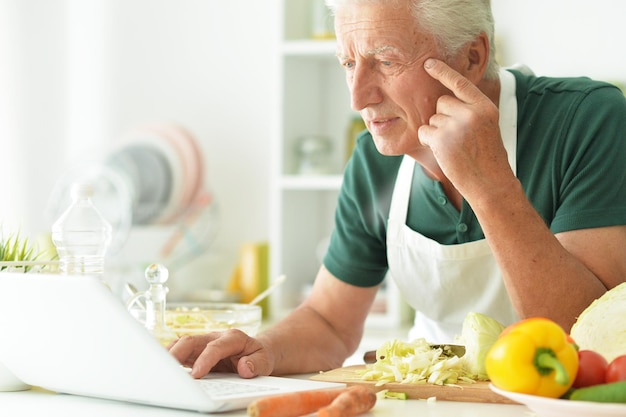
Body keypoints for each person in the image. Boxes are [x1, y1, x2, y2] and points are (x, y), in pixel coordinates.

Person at [169, 0, 626, 378]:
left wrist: (488, 185)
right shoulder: (373, 161)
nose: (357, 97)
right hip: (434, 399)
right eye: (349, 63)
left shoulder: (587, 121)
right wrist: (262, 349)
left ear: (472, 56)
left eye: (385, 61)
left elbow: (589, 338)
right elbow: (329, 322)